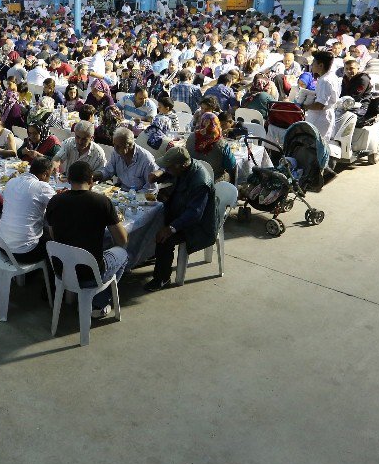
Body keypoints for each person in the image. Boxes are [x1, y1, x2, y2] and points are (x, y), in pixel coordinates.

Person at [45, 161, 129, 319]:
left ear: (68, 180)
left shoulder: (55, 201)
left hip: (61, 270)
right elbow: (122, 239)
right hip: (89, 274)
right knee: (123, 253)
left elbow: (54, 235)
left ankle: (83, 298)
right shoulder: (102, 202)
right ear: (91, 180)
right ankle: (99, 303)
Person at [144, 147, 221, 291]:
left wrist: (170, 229)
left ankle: (162, 278)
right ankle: (152, 256)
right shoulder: (185, 166)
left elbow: (194, 214)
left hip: (197, 225)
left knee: (164, 238)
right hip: (181, 211)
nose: (167, 168)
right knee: (151, 221)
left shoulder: (200, 182)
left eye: (169, 166)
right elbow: (170, 172)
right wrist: (158, 174)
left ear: (181, 166)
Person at [0, 157, 56, 264]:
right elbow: (59, 206)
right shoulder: (42, 187)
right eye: (50, 175)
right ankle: (50, 277)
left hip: (2, 245)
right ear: (45, 174)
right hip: (23, 253)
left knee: (42, 229)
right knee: (55, 241)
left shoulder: (11, 182)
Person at [186, 113, 237, 183]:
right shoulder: (221, 143)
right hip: (213, 180)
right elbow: (231, 165)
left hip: (193, 177)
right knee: (231, 172)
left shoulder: (191, 137)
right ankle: (232, 190)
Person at [304, 50, 340, 140]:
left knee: (316, 144)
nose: (311, 65)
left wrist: (304, 106)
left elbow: (320, 105)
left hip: (320, 118)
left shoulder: (325, 80)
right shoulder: (332, 77)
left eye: (313, 63)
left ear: (321, 65)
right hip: (324, 116)